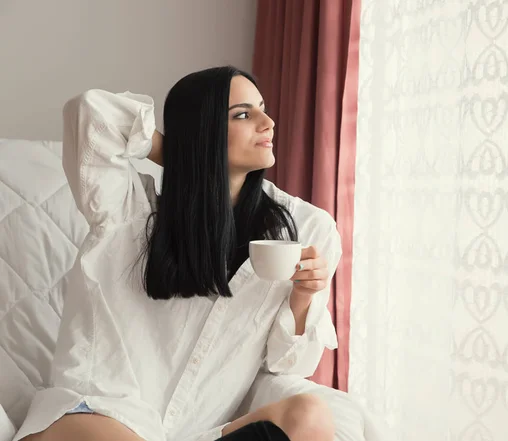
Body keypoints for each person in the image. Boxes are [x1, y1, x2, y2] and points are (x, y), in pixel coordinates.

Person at [14, 66, 342, 441]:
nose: (268, 122)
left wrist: (303, 297)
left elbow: (290, 365)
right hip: (94, 413)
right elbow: (90, 111)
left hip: (193, 432)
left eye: (263, 109)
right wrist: (192, 159)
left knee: (310, 414)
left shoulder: (305, 228)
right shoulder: (128, 212)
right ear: (202, 131)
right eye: (243, 114)